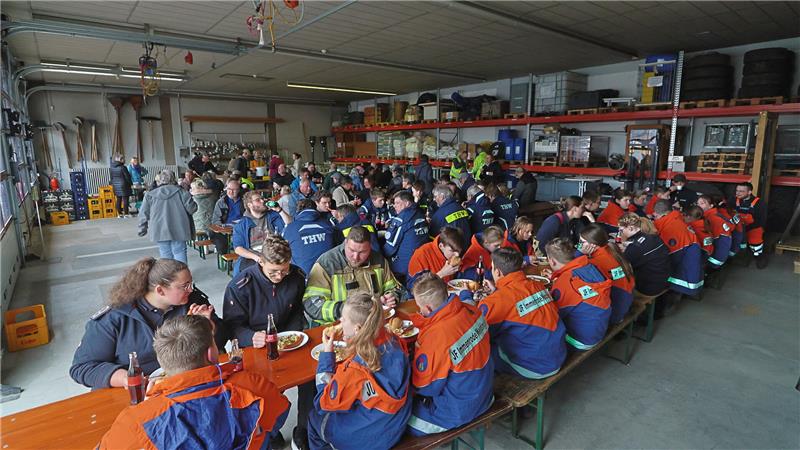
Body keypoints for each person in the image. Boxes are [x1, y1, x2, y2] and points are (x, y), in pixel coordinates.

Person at [97, 315, 289, 450]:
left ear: (162, 360)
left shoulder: (137, 419)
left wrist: (148, 404)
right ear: (211, 353)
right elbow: (280, 412)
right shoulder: (251, 384)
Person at [70, 258, 225, 389]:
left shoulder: (192, 302)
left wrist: (206, 326)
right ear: (160, 290)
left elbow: (221, 341)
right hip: (136, 391)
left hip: (186, 385)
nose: (191, 289)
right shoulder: (114, 318)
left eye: (191, 284)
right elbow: (82, 367)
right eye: (184, 286)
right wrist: (127, 378)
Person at [309, 294, 411, 449]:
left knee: (314, 417)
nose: (340, 322)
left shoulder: (356, 369)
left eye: (343, 319)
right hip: (394, 426)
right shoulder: (395, 341)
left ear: (357, 328)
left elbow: (323, 403)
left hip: (369, 439)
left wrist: (326, 356)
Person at [407, 273, 494, 436]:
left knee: (399, 419)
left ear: (427, 308)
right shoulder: (472, 310)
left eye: (419, 307)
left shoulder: (437, 337)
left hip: (459, 410)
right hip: (485, 394)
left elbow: (425, 388)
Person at [479, 248, 567, 379]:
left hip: (534, 368)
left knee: (481, 350)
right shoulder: (538, 285)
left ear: (497, 272)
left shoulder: (492, 303)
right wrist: (497, 291)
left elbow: (482, 337)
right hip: (558, 356)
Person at [303, 226, 401, 326]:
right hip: (337, 326)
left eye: (362, 252)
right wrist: (347, 310)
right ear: (345, 243)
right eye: (351, 250)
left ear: (370, 247)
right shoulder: (327, 263)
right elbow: (312, 305)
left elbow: (394, 288)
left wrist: (392, 297)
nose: (355, 257)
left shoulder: (379, 260)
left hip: (373, 323)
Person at [544, 238, 612, 351]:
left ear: (551, 261)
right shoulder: (591, 267)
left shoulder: (565, 282)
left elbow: (554, 314)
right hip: (600, 329)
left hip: (581, 340)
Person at [577, 224, 635, 324]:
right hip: (626, 301)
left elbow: (573, 270)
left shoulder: (594, 262)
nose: (579, 245)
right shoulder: (610, 249)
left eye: (582, 242)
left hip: (615, 312)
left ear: (593, 244)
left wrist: (579, 254)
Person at [138, 170, 197, 263]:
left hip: (160, 229)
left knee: (165, 253)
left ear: (160, 180)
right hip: (180, 228)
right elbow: (192, 209)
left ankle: (168, 276)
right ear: (173, 179)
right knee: (179, 251)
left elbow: (143, 213)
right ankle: (181, 275)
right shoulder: (182, 192)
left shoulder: (150, 195)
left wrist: (142, 228)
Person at [652, 200, 704, 297]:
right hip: (690, 269)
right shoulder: (676, 219)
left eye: (655, 217)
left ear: (657, 214)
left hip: (683, 279)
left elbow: (669, 255)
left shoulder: (672, 228)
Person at [231, 191, 291, 276]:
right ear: (249, 205)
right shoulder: (241, 225)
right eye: (258, 200)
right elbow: (238, 248)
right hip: (253, 257)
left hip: (275, 254)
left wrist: (279, 210)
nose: (262, 201)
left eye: (262, 199)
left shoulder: (273, 216)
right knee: (245, 274)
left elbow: (290, 225)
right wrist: (256, 258)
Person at [617, 213, 670, 297]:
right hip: (664, 280)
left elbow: (624, 269)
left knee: (617, 281)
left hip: (649, 288)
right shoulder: (652, 237)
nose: (620, 233)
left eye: (621, 230)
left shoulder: (634, 248)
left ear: (630, 228)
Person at [382, 190, 430, 284]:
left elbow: (390, 248)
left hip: (403, 266)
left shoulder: (401, 219)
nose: (394, 205)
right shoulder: (420, 213)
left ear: (407, 203)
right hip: (422, 260)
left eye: (397, 203)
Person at [282, 199, 338, 277]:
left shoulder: (290, 228)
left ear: (298, 211)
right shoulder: (328, 224)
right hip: (330, 274)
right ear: (315, 209)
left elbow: (283, 252)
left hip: (302, 277)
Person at [732, 182, 768, 268]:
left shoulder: (759, 203)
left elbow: (761, 220)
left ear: (749, 192)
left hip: (753, 227)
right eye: (737, 190)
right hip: (738, 226)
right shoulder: (733, 200)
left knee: (756, 244)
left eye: (741, 191)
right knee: (736, 241)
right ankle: (740, 255)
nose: (738, 193)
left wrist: (745, 229)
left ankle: (759, 256)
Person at [696, 195, 733, 269]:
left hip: (714, 260)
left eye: (702, 203)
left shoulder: (712, 219)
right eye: (697, 203)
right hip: (721, 256)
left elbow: (708, 241)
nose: (698, 206)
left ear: (711, 206)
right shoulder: (715, 215)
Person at [210, 179, 245, 254]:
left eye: (234, 190)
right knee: (222, 245)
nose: (231, 192)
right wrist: (224, 228)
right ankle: (227, 263)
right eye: (229, 189)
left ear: (239, 190)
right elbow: (215, 220)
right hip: (224, 229)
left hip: (241, 228)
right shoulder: (221, 202)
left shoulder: (244, 201)